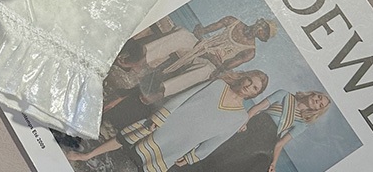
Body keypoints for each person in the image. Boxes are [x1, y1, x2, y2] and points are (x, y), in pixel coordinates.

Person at [66, 70, 269, 169]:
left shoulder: (240, 117)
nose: (248, 86)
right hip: (164, 123)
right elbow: (182, 98)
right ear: (244, 77)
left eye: (254, 88)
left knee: (144, 167)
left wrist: (193, 157)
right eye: (249, 80)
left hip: (181, 143)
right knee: (123, 139)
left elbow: (217, 141)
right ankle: (86, 156)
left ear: (255, 94)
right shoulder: (217, 85)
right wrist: (160, 115)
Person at [123, 16, 277, 102]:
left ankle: (161, 93)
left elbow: (223, 67)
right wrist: (200, 35)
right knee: (183, 35)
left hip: (209, 62)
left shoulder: (249, 51)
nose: (260, 29)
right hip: (199, 46)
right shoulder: (232, 21)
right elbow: (202, 31)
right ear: (259, 21)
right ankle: (140, 62)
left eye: (264, 31)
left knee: (205, 71)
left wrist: (209, 55)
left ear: (262, 37)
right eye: (262, 25)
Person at [183, 89, 331, 172]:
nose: (317, 101)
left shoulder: (303, 124)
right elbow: (256, 108)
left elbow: (280, 144)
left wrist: (274, 163)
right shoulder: (284, 95)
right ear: (313, 93)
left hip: (266, 142)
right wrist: (244, 121)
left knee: (248, 165)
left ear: (317, 110)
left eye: (320, 104)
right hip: (254, 126)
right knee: (222, 149)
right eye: (319, 97)